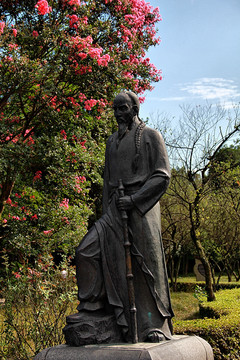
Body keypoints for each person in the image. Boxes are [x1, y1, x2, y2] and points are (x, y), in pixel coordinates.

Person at [66, 91, 174, 343]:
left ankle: (152, 325)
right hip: (115, 209)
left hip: (142, 209)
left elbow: (162, 175)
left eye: (122, 108)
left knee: (145, 266)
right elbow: (106, 183)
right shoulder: (111, 141)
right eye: (114, 109)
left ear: (134, 109)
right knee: (87, 250)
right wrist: (108, 211)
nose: (117, 114)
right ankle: (95, 308)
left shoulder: (150, 136)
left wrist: (135, 200)